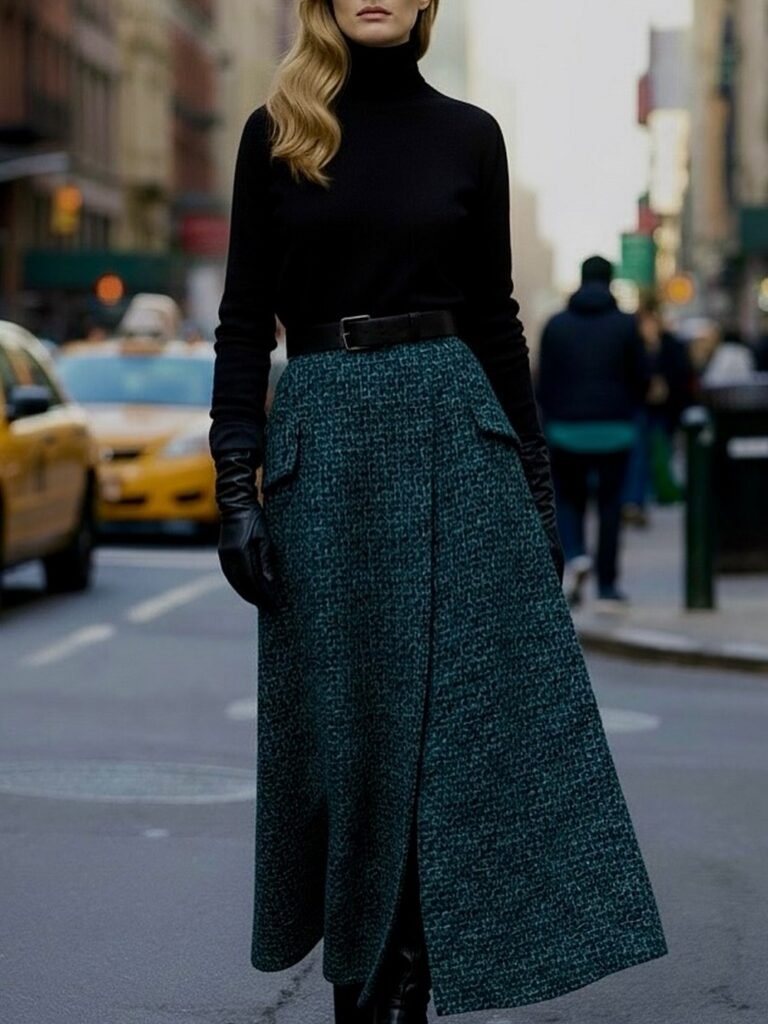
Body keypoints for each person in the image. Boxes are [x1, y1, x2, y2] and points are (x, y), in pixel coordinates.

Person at [209, 4, 667, 1022]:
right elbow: (244, 325)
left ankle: (404, 974)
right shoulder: (276, 129)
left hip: (459, 441)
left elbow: (498, 318)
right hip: (323, 444)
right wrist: (233, 483)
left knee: (456, 728)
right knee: (347, 735)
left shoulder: (471, 134)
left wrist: (537, 491)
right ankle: (362, 975)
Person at [537, 256, 649, 607]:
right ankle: (607, 584)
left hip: (567, 429)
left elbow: (542, 382)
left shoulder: (555, 325)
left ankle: (576, 554)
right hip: (615, 428)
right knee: (610, 505)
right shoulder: (626, 325)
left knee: (568, 498)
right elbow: (641, 377)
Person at [622, 293, 693, 525]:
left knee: (660, 451)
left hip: (665, 409)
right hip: (639, 406)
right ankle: (636, 500)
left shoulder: (671, 344)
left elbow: (681, 373)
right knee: (639, 453)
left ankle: (652, 494)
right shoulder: (633, 344)